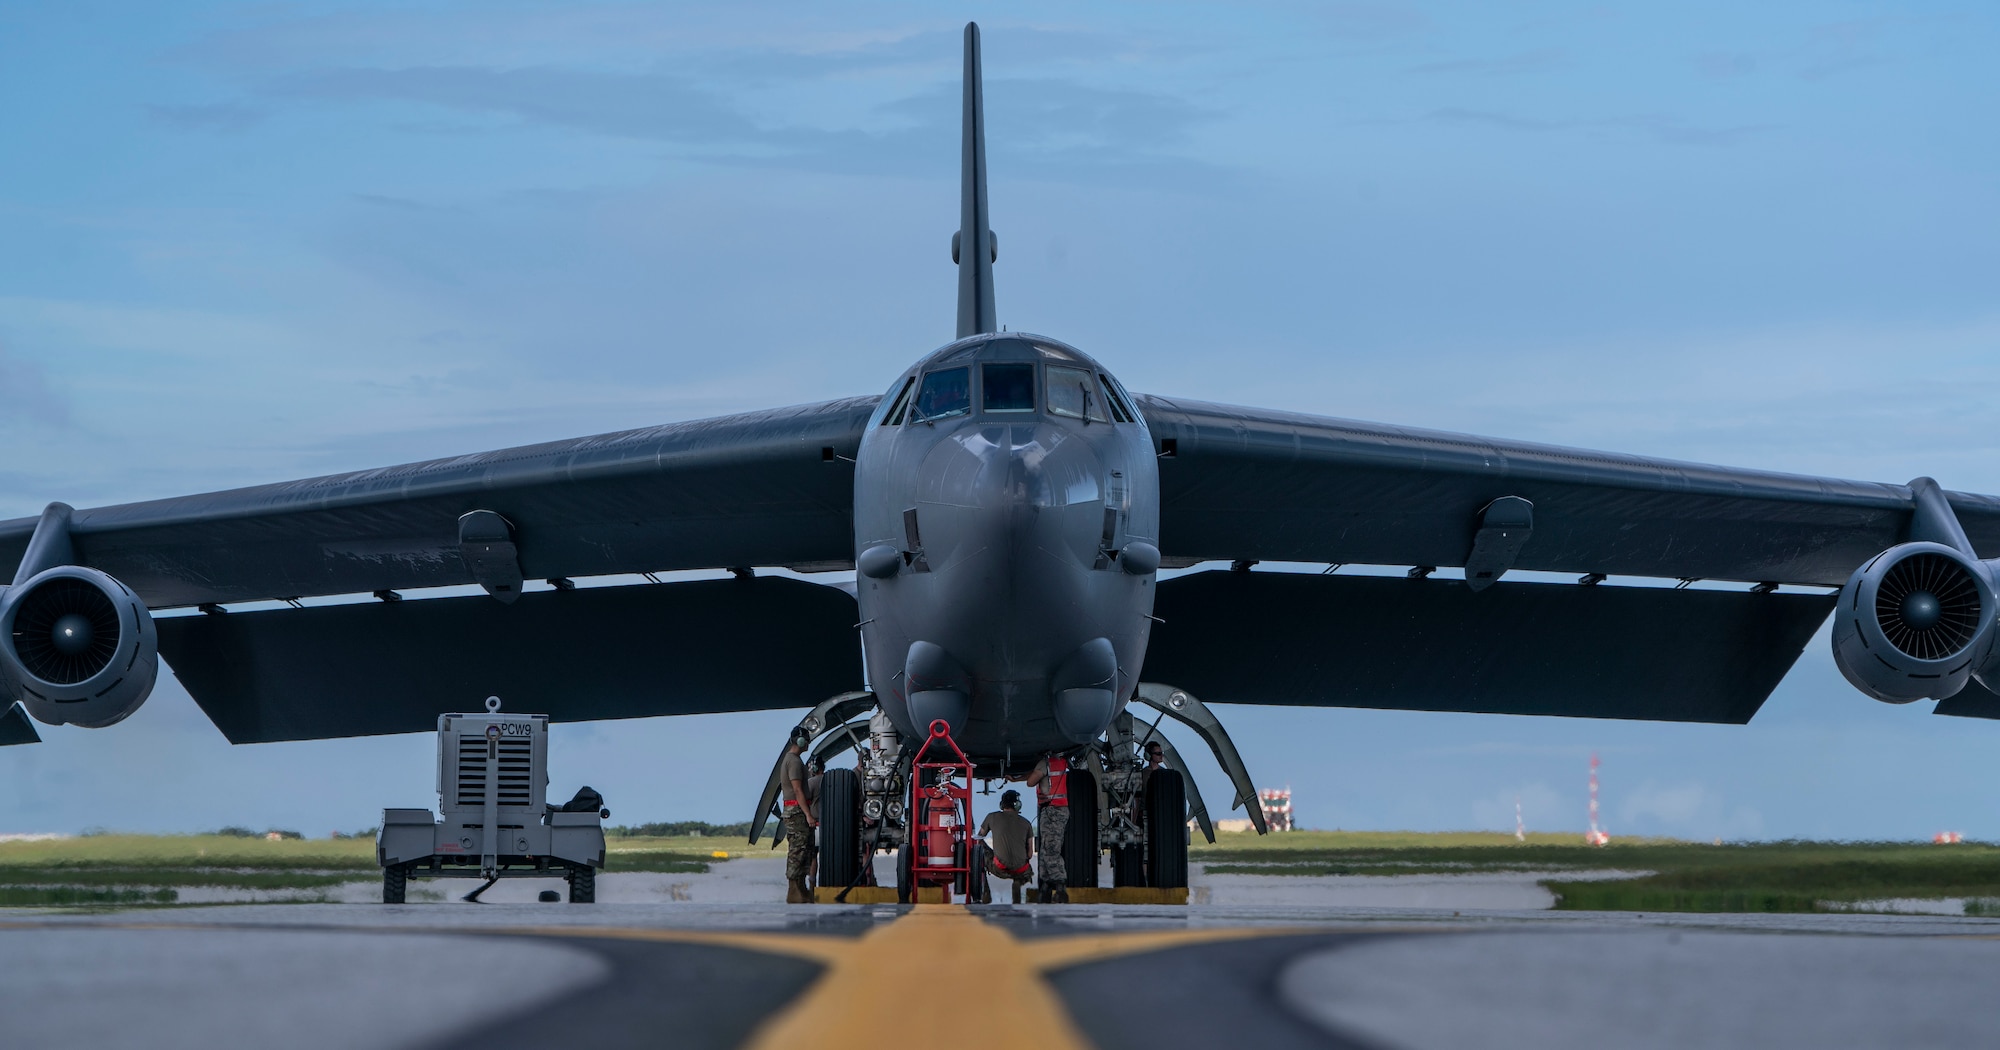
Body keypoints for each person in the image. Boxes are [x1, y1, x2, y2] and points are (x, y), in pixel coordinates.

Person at [1016, 753, 1071, 903]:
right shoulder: (1058, 762)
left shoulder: (1044, 762)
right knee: (1046, 849)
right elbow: (1035, 774)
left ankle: (1060, 888)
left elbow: (1031, 781)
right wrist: (1017, 778)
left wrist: (1022, 777)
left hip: (1052, 811)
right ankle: (1046, 886)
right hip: (1056, 809)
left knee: (1050, 849)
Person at [976, 790, 1036, 903]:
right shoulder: (1027, 823)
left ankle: (985, 893)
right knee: (1025, 871)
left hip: (999, 867)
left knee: (979, 851)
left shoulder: (991, 817)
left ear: (1002, 804)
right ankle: (1018, 886)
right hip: (1021, 870)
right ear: (1017, 805)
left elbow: (979, 840)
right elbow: (1029, 854)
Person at [780, 727, 818, 904]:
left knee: (805, 850)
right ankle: (794, 890)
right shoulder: (793, 761)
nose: (808, 743)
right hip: (796, 811)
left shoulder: (793, 760)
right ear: (800, 741)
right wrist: (808, 814)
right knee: (797, 850)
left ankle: (800, 889)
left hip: (797, 810)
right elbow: (797, 790)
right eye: (807, 740)